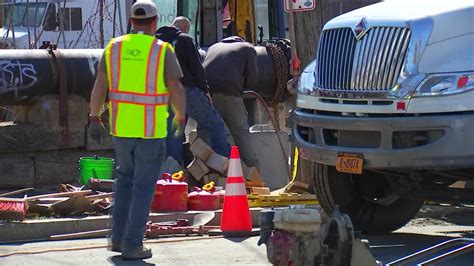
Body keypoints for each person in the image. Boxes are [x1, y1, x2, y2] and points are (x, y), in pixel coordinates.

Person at [88, 1, 185, 260]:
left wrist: (94, 116)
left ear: (131, 22)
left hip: (121, 130)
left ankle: (118, 239)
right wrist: (180, 114)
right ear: (154, 23)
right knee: (142, 188)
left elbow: (100, 85)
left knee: (124, 184)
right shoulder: (161, 50)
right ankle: (133, 244)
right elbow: (175, 87)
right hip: (151, 132)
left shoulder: (114, 48)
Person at [156, 16, 230, 160]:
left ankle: (174, 172)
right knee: (215, 123)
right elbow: (197, 68)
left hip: (163, 93)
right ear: (184, 29)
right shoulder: (185, 40)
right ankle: (223, 163)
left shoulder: (155, 42)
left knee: (174, 133)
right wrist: (205, 90)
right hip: (186, 91)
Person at [202, 36, 259, 168]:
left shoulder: (213, 47)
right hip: (229, 94)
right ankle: (252, 170)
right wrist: (242, 87)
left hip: (205, 95)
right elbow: (253, 78)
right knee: (240, 130)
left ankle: (203, 168)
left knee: (207, 130)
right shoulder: (247, 48)